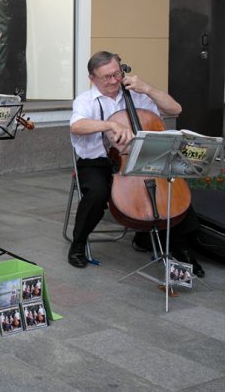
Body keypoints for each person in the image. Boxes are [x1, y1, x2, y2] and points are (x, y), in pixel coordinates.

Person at [68, 51, 204, 276]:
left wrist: (147, 88)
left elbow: (175, 109)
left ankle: (181, 248)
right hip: (97, 162)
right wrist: (109, 126)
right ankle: (78, 243)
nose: (114, 81)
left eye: (116, 74)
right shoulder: (85, 100)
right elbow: (77, 126)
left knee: (171, 188)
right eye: (106, 77)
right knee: (97, 193)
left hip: (144, 156)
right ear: (93, 78)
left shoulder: (137, 94)